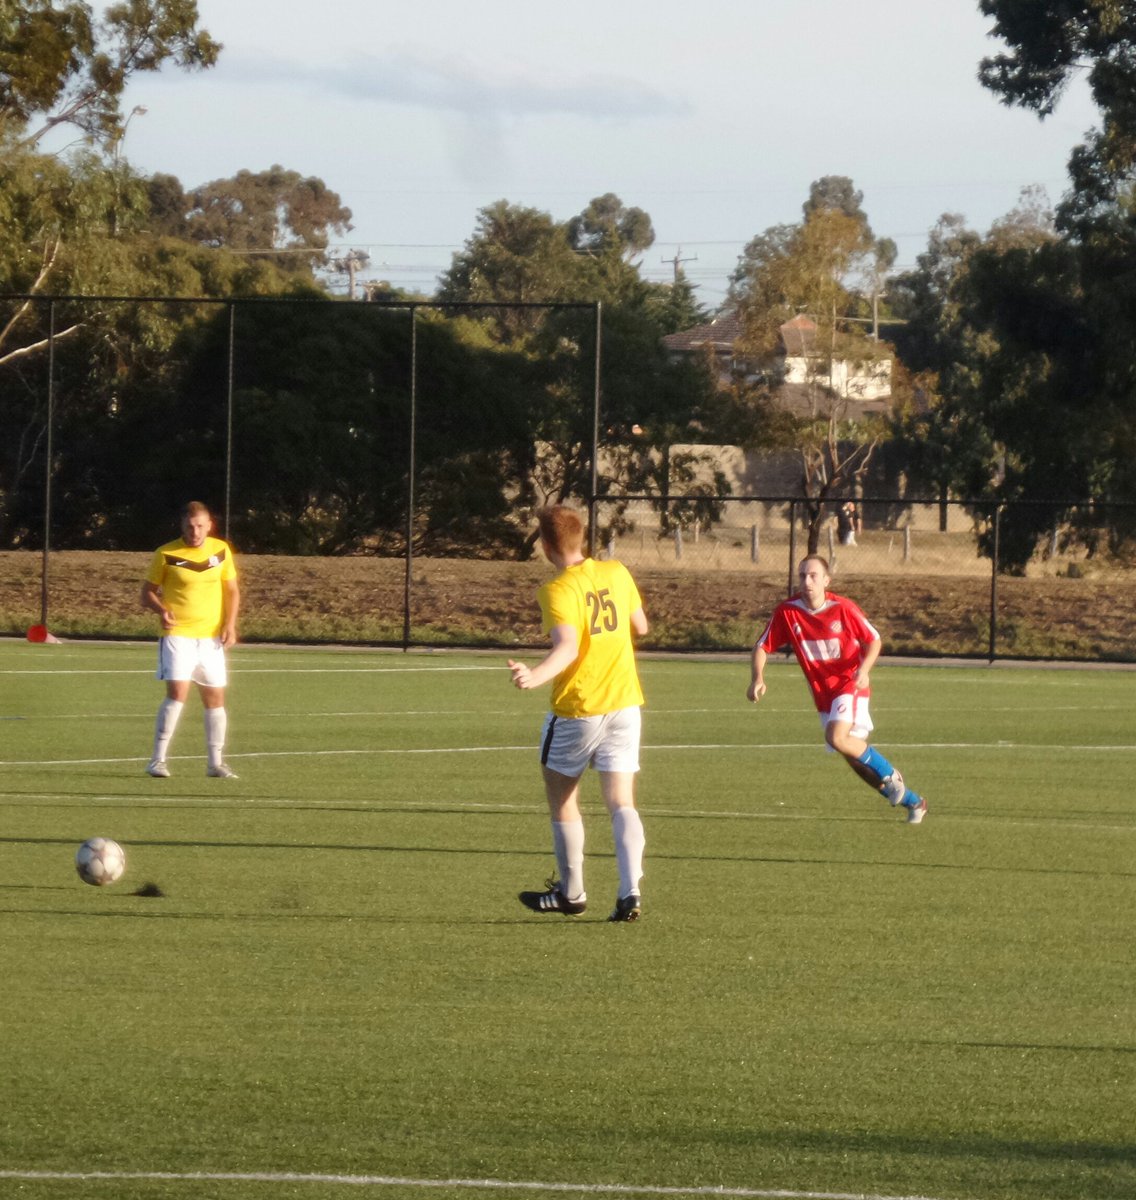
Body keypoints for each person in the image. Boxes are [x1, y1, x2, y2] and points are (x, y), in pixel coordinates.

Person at [508, 505, 649, 921]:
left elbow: (567, 647)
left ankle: (572, 893)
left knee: (563, 800)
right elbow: (640, 626)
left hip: (579, 708)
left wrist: (534, 676)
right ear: (582, 536)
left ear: (546, 545)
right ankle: (631, 892)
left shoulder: (557, 590)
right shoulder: (617, 571)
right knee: (621, 801)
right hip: (624, 702)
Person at [746, 554, 927, 823]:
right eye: (802, 576)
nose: (806, 581)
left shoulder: (842, 608)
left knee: (837, 737)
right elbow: (762, 646)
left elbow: (874, 640)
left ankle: (891, 774)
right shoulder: (787, 612)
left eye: (813, 576)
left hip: (849, 685)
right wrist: (757, 677)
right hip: (823, 695)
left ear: (826, 581)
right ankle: (914, 801)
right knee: (853, 758)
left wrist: (863, 671)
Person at [140, 500, 241, 779]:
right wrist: (161, 609)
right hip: (178, 636)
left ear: (209, 525)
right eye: (189, 526)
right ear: (182, 526)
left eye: (200, 526)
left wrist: (230, 625)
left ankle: (215, 763)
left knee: (215, 698)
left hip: (210, 638)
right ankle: (157, 761)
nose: (195, 531)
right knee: (177, 695)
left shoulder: (220, 551)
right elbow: (146, 593)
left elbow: (232, 591)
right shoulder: (166, 553)